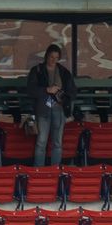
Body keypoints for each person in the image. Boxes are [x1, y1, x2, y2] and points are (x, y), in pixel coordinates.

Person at [24, 40, 74, 169]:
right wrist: (46, 90)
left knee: (57, 142)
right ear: (46, 56)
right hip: (43, 110)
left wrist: (62, 96)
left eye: (56, 58)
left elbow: (73, 91)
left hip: (59, 109)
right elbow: (30, 90)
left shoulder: (64, 72)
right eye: (52, 57)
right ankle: (38, 170)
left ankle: (55, 169)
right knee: (42, 142)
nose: (53, 60)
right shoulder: (38, 70)